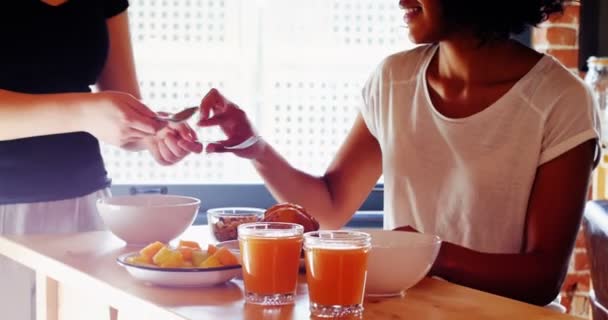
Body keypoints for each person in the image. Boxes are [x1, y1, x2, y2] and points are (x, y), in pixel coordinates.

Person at [196, 0, 601, 307]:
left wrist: (430, 251)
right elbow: (331, 206)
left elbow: (542, 277)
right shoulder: (394, 80)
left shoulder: (559, 99)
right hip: (409, 310)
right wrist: (254, 147)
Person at [0, 1, 203, 319]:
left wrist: (150, 130)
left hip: (87, 214)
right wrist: (88, 111)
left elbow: (123, 99)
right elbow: (92, 111)